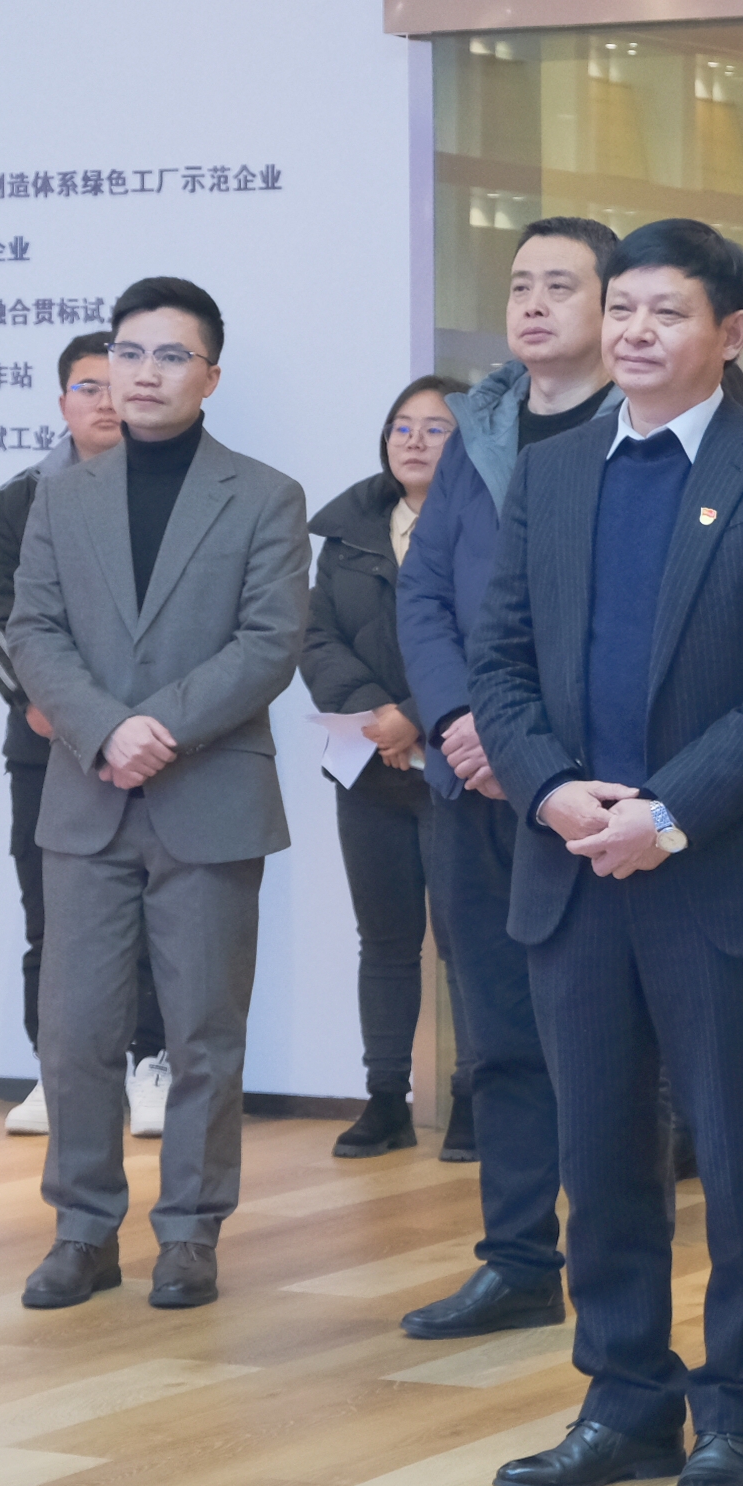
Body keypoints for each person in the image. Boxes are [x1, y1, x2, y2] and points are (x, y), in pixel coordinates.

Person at [470, 218, 743, 1486]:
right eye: (620, 307)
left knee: (741, 1163)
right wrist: (550, 789)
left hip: (716, 871)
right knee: (601, 1154)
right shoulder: (551, 470)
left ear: (729, 334)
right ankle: (622, 1397)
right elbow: (500, 663)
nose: (633, 331)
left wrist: (666, 812)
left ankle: (736, 1410)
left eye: (664, 311)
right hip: (576, 867)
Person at [4, 276, 309, 1312]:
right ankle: (83, 1229)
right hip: (87, 799)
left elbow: (269, 642)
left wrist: (159, 727)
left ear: (210, 376)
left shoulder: (264, 494)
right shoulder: (61, 493)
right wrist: (105, 728)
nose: (143, 374)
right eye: (128, 354)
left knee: (203, 1033)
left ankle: (189, 1232)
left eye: (171, 355)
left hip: (209, 793)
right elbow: (33, 629)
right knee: (75, 1031)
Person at [392, 218, 624, 1341]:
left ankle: (615, 1269)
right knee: (495, 1033)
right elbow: (425, 594)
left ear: (613, 303)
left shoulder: (637, 427)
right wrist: (453, 722)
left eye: (559, 284)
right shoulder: (477, 430)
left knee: (601, 1041)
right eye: (520, 283)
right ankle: (518, 1257)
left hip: (582, 789)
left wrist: (523, 745)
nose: (531, 303)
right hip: (468, 782)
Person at [0, 331, 170, 1139]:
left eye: (115, 384)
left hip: (154, 741)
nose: (105, 401)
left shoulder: (175, 493)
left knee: (156, 911)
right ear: (63, 404)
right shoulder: (21, 499)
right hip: (46, 742)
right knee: (51, 913)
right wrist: (37, 700)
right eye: (87, 387)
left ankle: (152, 1063)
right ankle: (61, 1072)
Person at [300, 378, 456, 1157]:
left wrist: (418, 716)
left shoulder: (486, 525)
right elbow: (316, 637)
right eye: (402, 426)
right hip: (368, 766)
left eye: (436, 428)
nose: (414, 441)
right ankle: (385, 1100)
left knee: (467, 942)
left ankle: (477, 1098)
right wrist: (378, 718)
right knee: (385, 941)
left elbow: (492, 635)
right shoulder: (350, 532)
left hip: (457, 765)